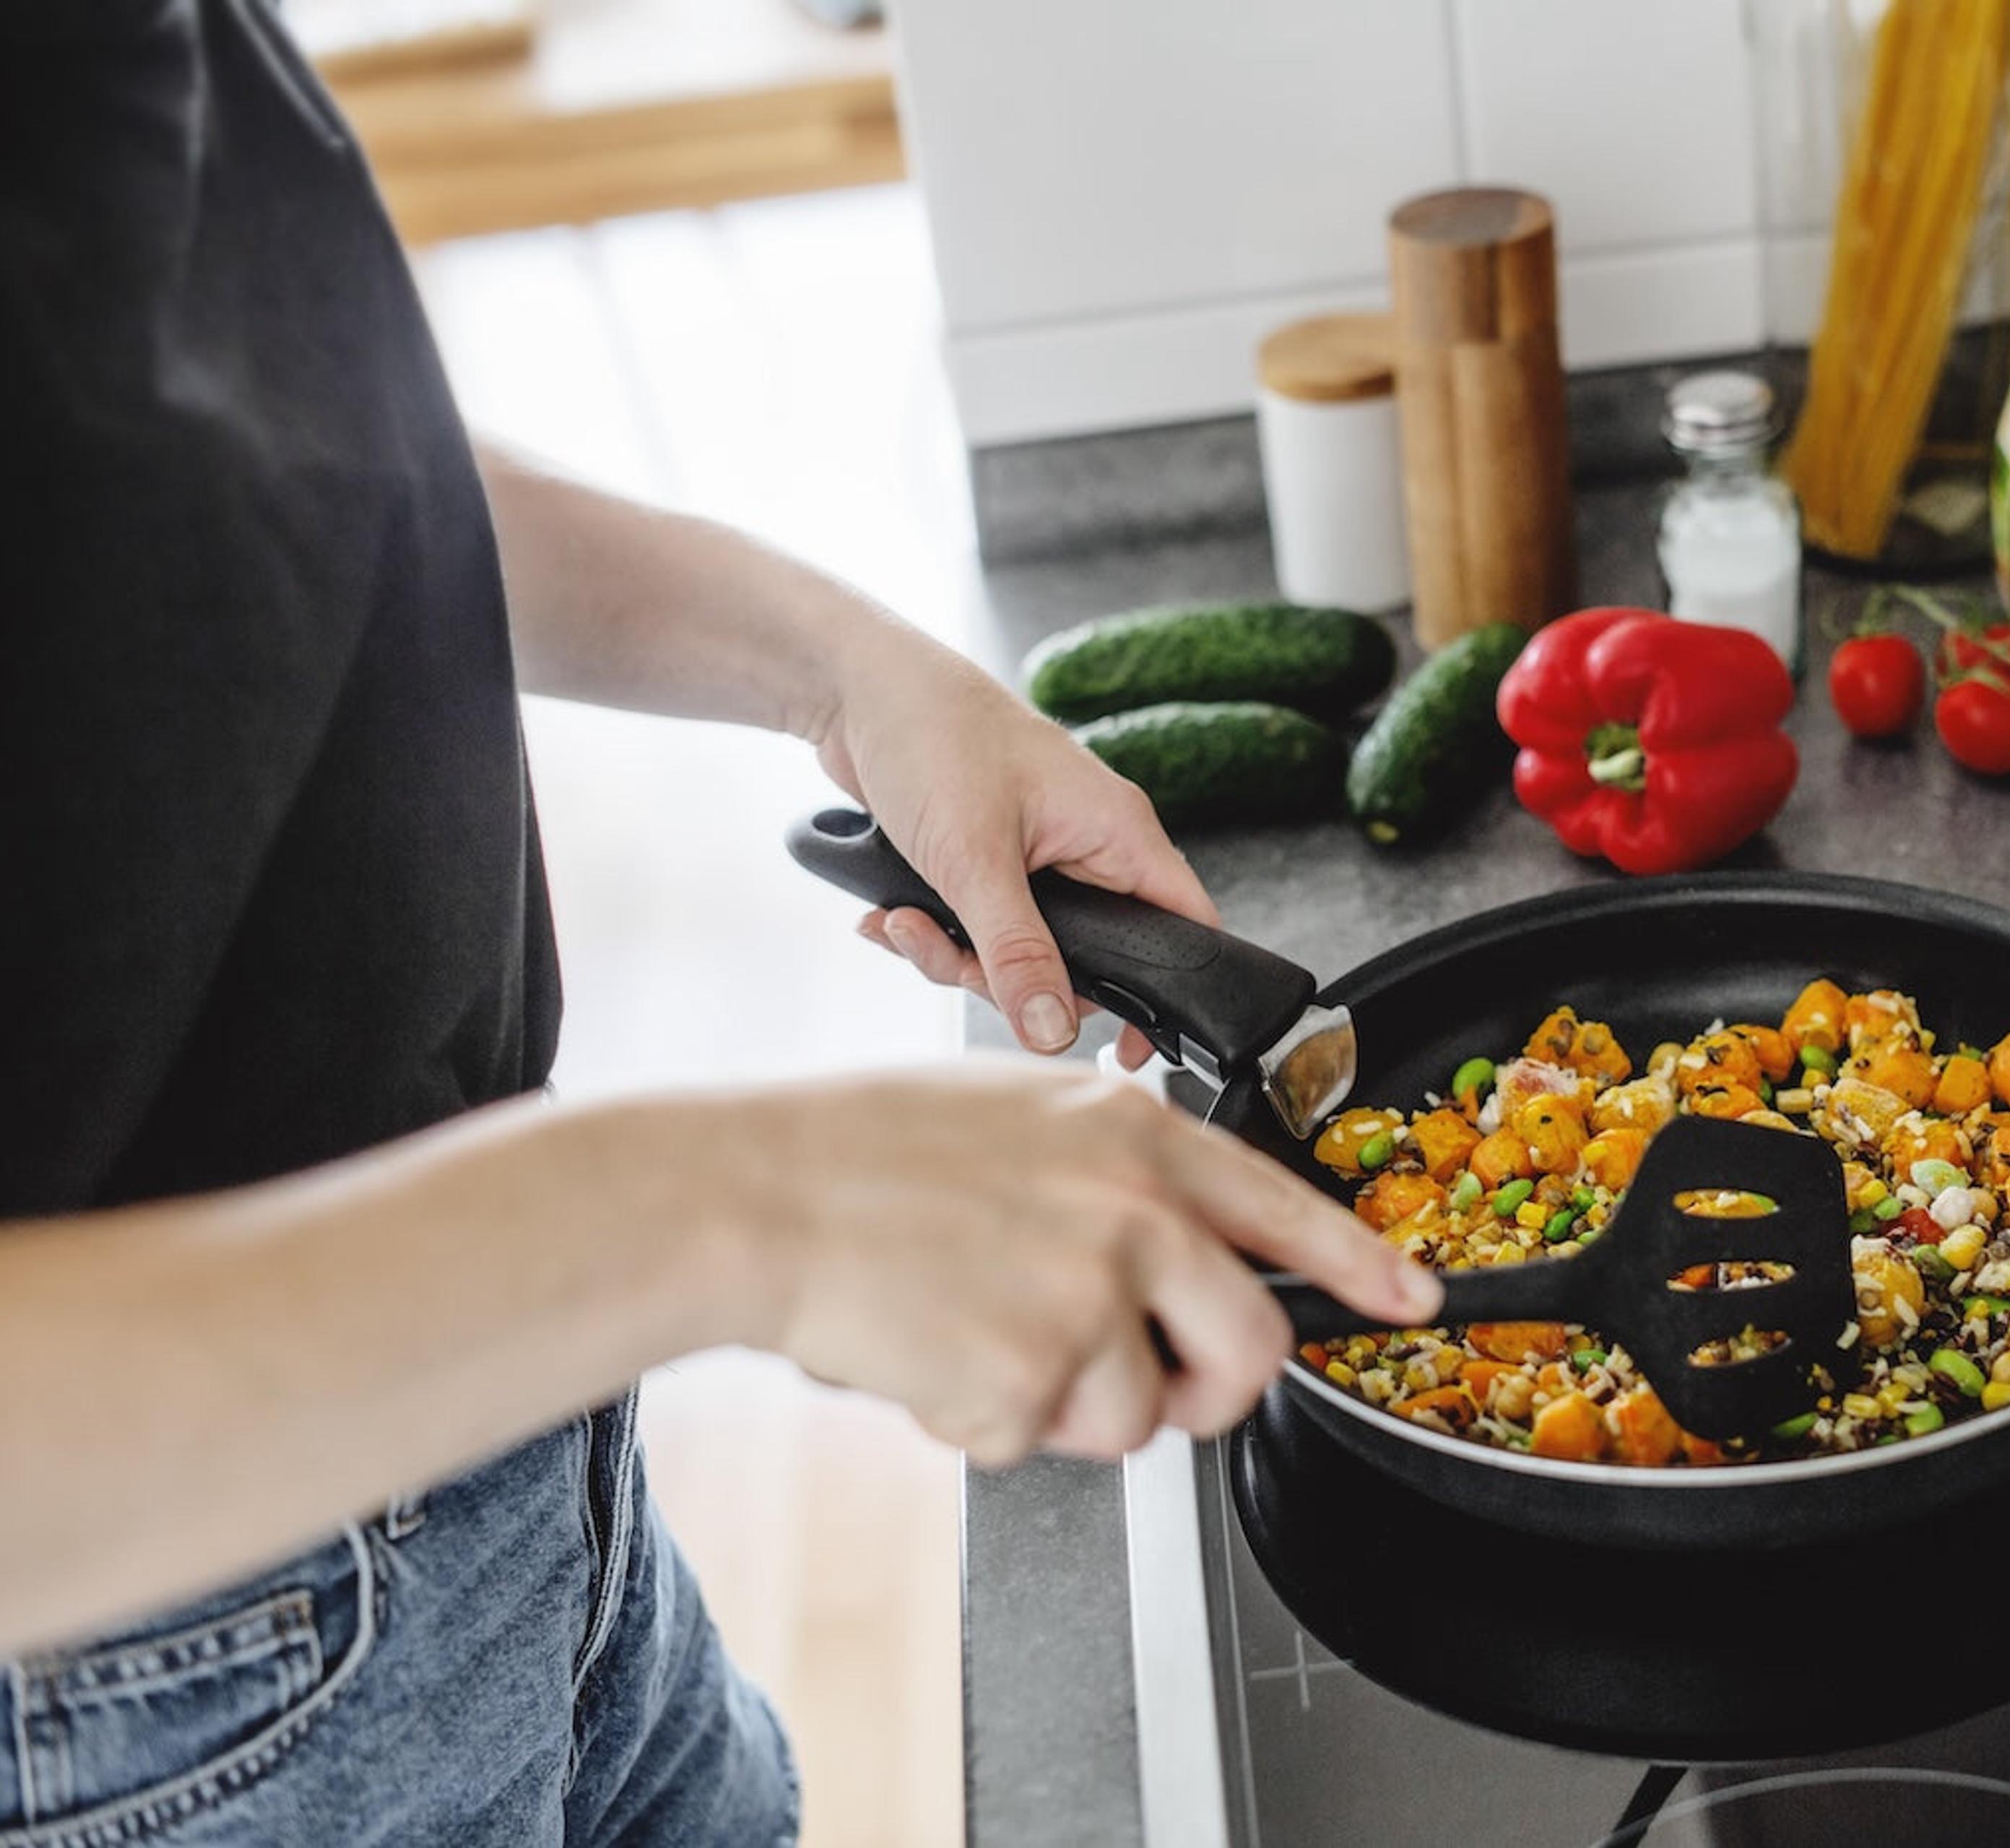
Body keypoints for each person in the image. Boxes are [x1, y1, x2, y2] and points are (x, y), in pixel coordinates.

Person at [0, 2, 1439, 1839]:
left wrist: (833, 665)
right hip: (144, 1688)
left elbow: (229, 452)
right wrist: (738, 1207)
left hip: (507, 1435)